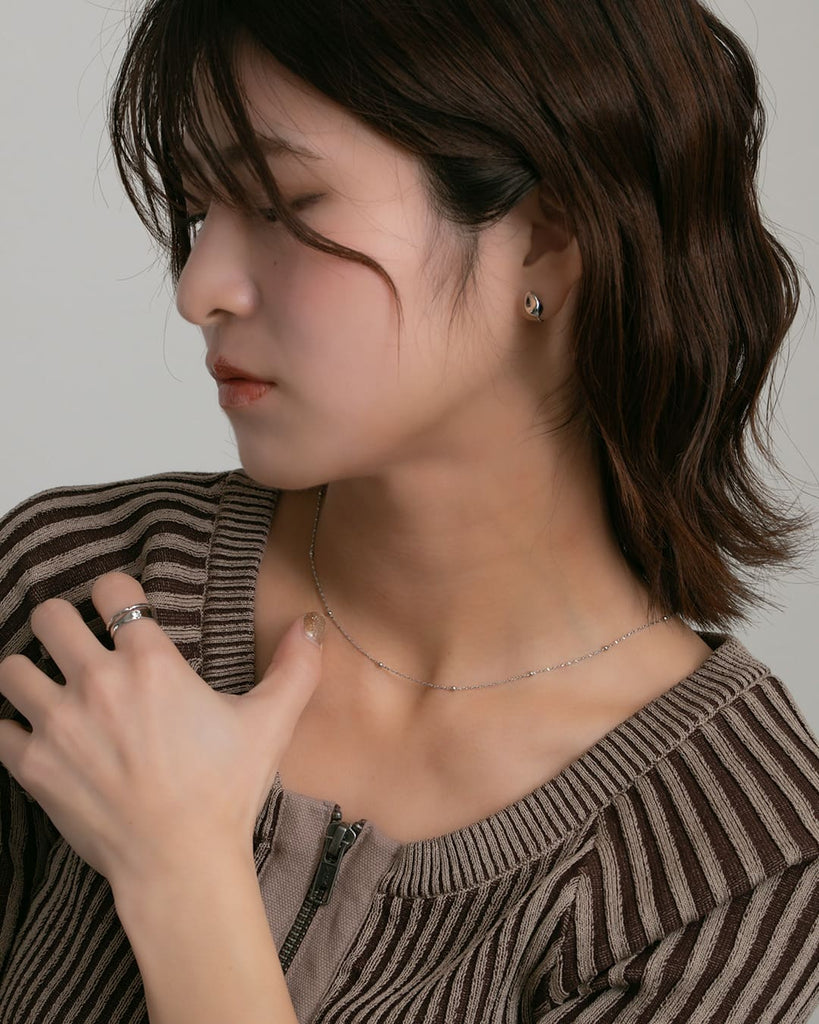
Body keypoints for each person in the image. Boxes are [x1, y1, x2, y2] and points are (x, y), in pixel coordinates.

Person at [0, 0, 817, 1021]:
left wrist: (182, 874)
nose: (199, 287)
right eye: (201, 209)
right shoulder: (78, 598)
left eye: (283, 204)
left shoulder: (730, 862)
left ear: (547, 235)